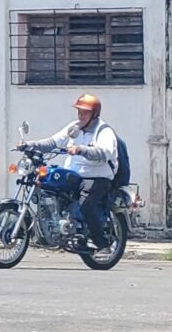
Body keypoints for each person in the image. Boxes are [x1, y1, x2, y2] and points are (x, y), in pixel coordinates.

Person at [19, 93, 118, 251]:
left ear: (95, 113)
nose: (80, 115)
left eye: (85, 112)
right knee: (49, 187)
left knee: (86, 206)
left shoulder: (104, 131)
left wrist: (81, 150)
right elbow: (53, 142)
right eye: (79, 111)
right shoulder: (74, 128)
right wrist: (30, 145)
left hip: (96, 177)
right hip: (74, 175)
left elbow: (105, 153)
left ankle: (99, 241)